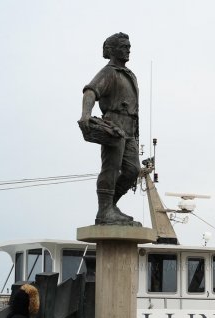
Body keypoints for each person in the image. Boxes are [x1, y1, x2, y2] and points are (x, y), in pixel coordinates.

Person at [78, 32, 141, 226]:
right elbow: (90, 91)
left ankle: (110, 206)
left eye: (129, 46)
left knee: (133, 171)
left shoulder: (129, 74)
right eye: (123, 46)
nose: (128, 49)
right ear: (112, 50)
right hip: (114, 124)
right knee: (111, 169)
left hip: (130, 128)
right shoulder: (109, 72)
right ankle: (104, 211)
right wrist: (86, 114)